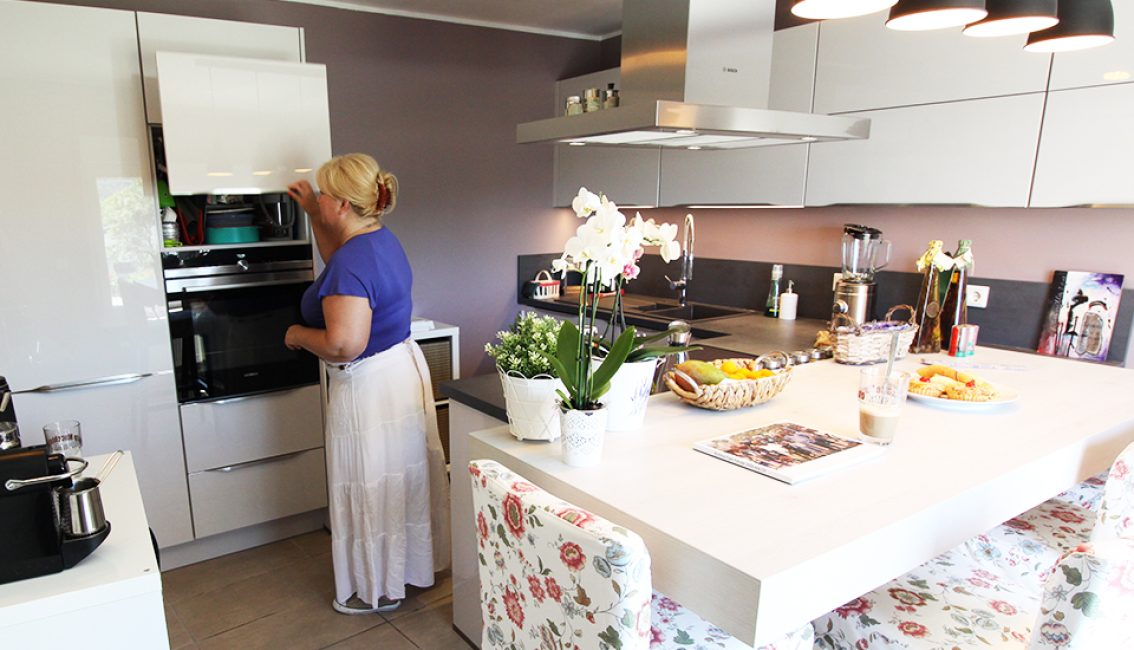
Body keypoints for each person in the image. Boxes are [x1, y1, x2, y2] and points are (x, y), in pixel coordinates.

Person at [285, 154, 450, 615]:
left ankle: (376, 587)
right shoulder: (379, 240)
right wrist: (314, 215)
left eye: (323, 195)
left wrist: (297, 335)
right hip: (397, 372)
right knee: (397, 479)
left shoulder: (351, 264)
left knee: (368, 483)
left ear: (340, 204)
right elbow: (338, 258)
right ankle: (409, 568)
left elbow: (342, 344)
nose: (318, 199)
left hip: (368, 388)